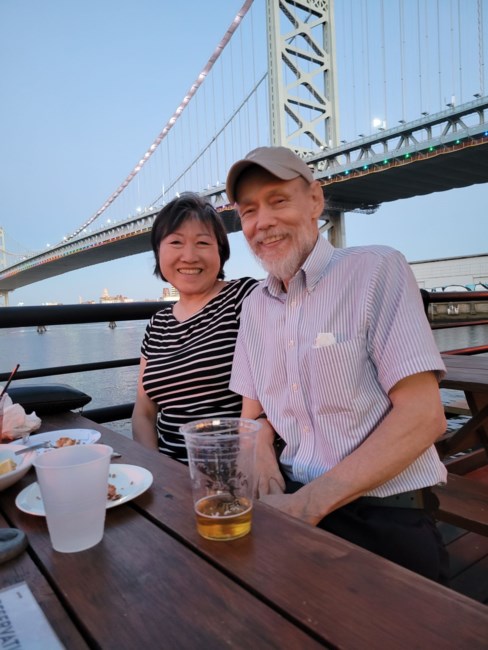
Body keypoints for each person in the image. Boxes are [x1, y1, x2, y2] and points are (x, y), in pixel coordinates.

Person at [225, 146, 449, 583]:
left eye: (278, 200)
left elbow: (425, 417)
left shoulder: (376, 269)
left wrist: (305, 507)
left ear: (315, 200)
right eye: (248, 211)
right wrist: (260, 446)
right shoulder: (253, 307)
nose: (262, 222)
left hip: (383, 512)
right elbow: (251, 418)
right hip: (290, 498)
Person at [132, 192, 258, 463]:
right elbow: (143, 412)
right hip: (166, 472)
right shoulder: (157, 325)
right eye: (176, 242)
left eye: (202, 243)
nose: (189, 256)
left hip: (230, 470)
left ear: (220, 252)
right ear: (158, 252)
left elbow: (262, 397)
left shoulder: (244, 297)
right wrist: (155, 469)